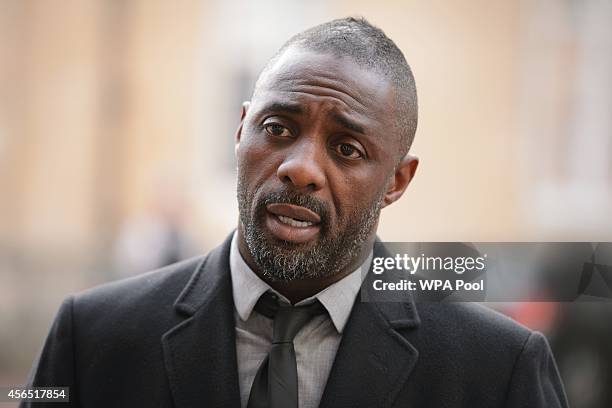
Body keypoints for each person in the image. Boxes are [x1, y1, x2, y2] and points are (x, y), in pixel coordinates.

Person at [23, 17, 568, 408]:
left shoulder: (499, 369)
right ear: (240, 131)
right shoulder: (90, 337)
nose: (300, 168)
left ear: (397, 182)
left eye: (347, 149)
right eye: (278, 128)